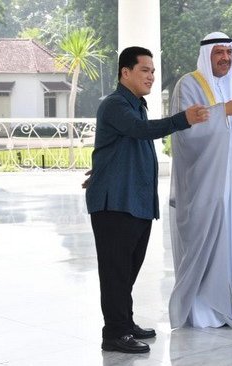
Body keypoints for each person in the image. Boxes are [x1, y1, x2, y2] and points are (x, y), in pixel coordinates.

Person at [85, 46, 208, 353]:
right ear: (125, 72)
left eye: (153, 71)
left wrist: (101, 168)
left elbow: (118, 146)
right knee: (115, 272)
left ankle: (124, 323)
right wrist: (183, 119)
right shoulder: (115, 104)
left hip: (134, 201)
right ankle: (114, 333)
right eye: (145, 70)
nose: (152, 76)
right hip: (115, 204)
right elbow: (139, 131)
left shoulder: (137, 104)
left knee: (126, 270)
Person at [168, 32, 232, 329]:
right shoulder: (188, 84)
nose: (226, 58)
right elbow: (185, 132)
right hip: (205, 184)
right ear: (207, 55)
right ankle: (205, 309)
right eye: (219, 53)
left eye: (229, 52)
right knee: (209, 243)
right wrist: (220, 112)